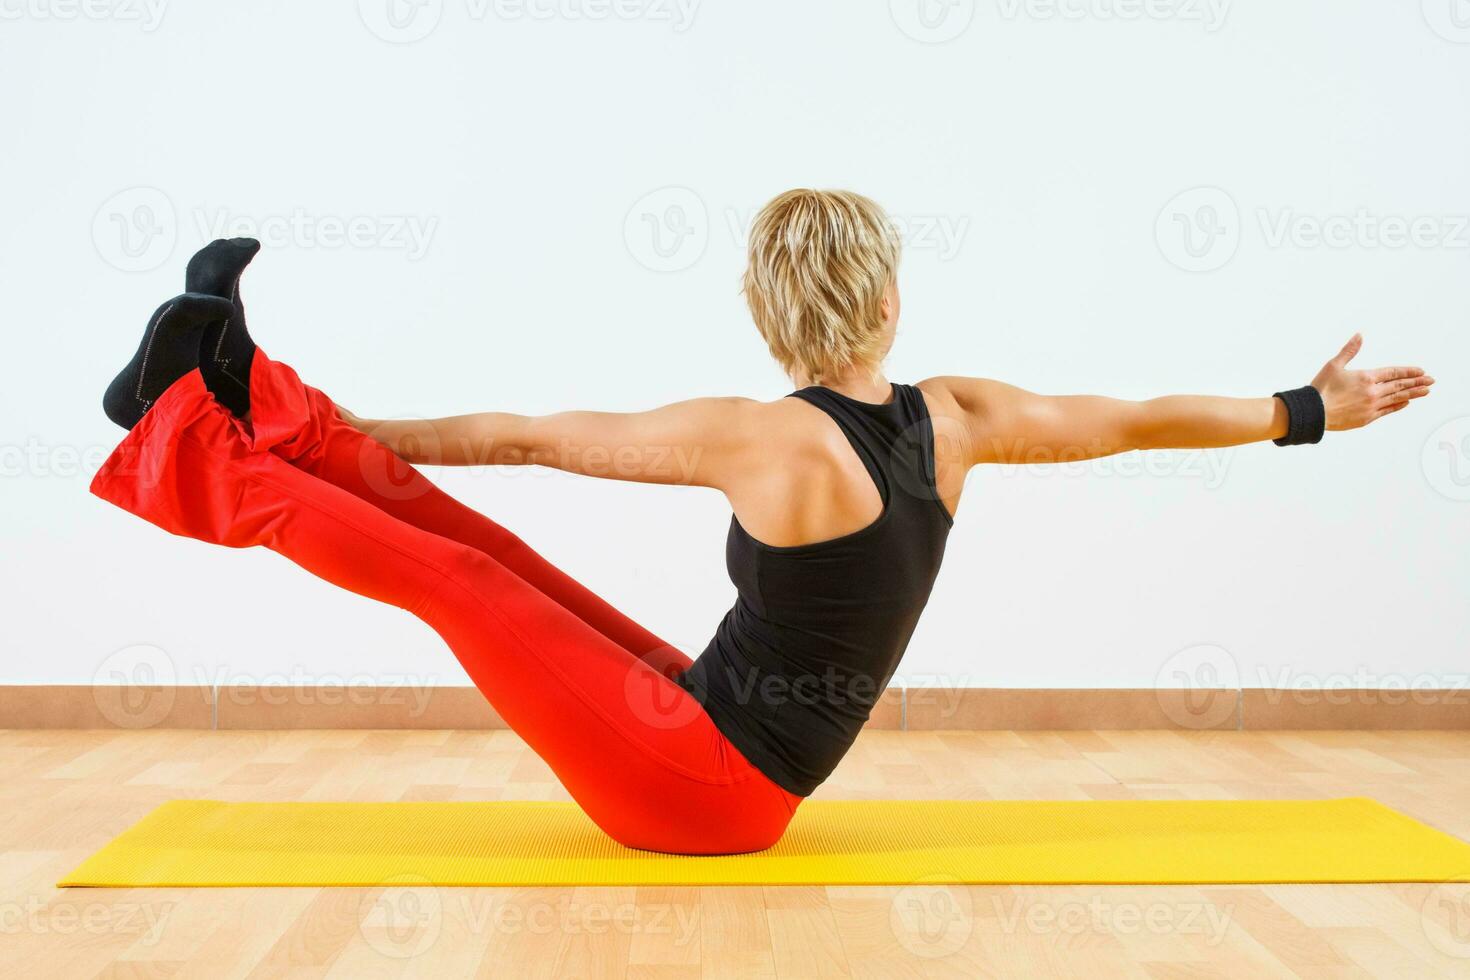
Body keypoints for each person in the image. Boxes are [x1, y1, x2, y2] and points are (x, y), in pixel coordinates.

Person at [94, 190, 1433, 855]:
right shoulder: (958, 415)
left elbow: (517, 437)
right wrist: (1302, 411)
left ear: (765, 313)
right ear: (889, 304)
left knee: (459, 584)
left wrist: (355, 424)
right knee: (502, 566)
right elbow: (1137, 416)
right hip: (700, 722)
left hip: (705, 790)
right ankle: (234, 392)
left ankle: (193, 437)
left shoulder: (761, 435)